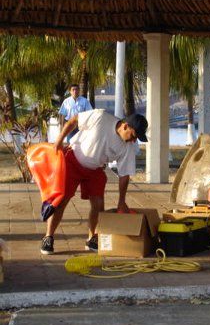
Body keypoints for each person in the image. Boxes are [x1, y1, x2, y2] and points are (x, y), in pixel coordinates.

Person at [40, 109, 148, 255]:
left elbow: (124, 175)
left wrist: (121, 201)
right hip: (72, 161)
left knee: (98, 204)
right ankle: (49, 237)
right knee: (61, 201)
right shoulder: (101, 117)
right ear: (125, 126)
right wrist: (59, 141)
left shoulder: (127, 147)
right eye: (134, 136)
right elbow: (74, 120)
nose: (134, 141)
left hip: (95, 169)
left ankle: (92, 238)